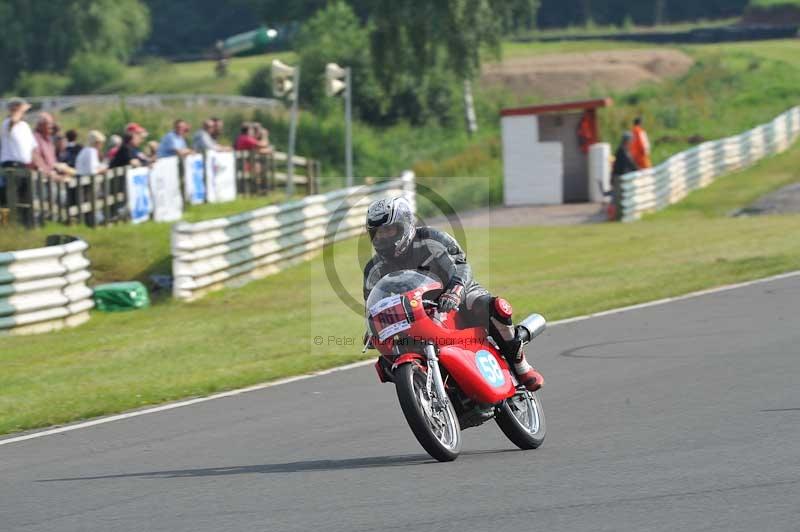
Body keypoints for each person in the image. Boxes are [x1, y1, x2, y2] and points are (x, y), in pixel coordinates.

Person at [362, 197, 544, 392]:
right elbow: (374, 302)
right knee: (386, 362)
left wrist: (455, 291)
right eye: (378, 233)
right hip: (415, 313)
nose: (384, 237)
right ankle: (426, 390)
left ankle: (521, 366)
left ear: (405, 225)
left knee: (492, 306)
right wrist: (374, 327)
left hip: (456, 294)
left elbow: (460, 264)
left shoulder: (432, 239)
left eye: (389, 230)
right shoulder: (374, 268)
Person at [1, 98, 37, 205]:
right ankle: (8, 220)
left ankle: (21, 221)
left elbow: (32, 148)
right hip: (11, 166)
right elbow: (13, 121)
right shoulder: (7, 123)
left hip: (24, 166)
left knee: (24, 198)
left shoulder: (25, 126)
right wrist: (21, 109)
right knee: (10, 198)